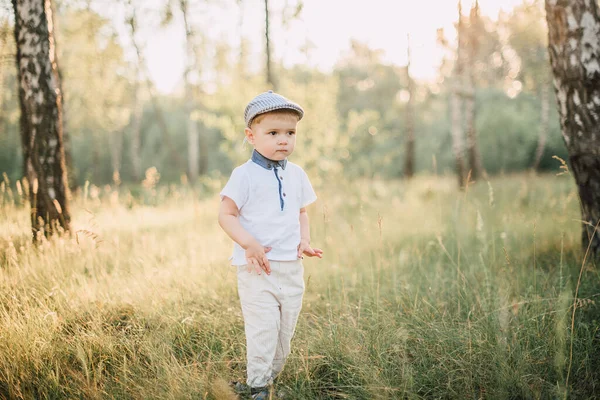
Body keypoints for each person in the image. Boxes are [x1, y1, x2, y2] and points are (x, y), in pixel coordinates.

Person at [218, 91, 323, 399]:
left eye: (290, 133)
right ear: (251, 136)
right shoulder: (244, 175)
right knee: (263, 328)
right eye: (273, 133)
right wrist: (248, 243)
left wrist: (303, 240)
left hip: (291, 268)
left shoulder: (297, 174)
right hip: (257, 268)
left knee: (284, 332)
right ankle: (259, 386)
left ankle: (267, 378)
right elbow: (226, 215)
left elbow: (301, 212)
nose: (283, 140)